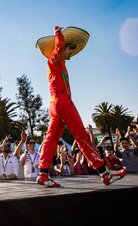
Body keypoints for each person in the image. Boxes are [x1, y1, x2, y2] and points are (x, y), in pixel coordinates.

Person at [35, 26, 127, 187]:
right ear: (63, 48)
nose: (72, 53)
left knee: (51, 139)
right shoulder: (54, 60)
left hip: (55, 103)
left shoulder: (58, 63)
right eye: (70, 50)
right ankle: (105, 173)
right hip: (62, 102)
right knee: (81, 136)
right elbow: (59, 46)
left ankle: (43, 174)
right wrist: (58, 33)